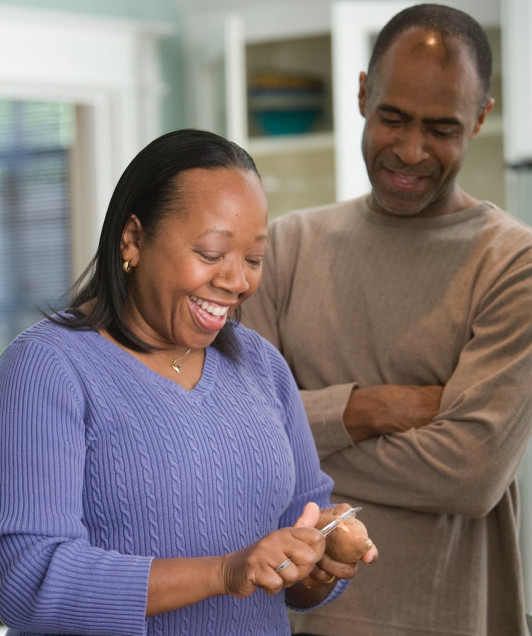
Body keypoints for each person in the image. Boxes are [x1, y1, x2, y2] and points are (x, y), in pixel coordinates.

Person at [0, 129, 378, 636]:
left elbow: (291, 568)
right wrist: (224, 572)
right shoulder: (48, 367)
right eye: (210, 252)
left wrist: (323, 556)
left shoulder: (261, 365)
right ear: (132, 239)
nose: (237, 281)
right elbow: (25, 582)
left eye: (253, 259)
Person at [242, 4, 532, 636]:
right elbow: (239, 437)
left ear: (481, 118)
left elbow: (470, 473)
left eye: (441, 128)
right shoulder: (287, 246)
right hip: (289, 619)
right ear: (362, 93)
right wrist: (362, 409)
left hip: (446, 618)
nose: (410, 150)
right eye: (393, 118)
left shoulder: (515, 264)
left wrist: (299, 425)